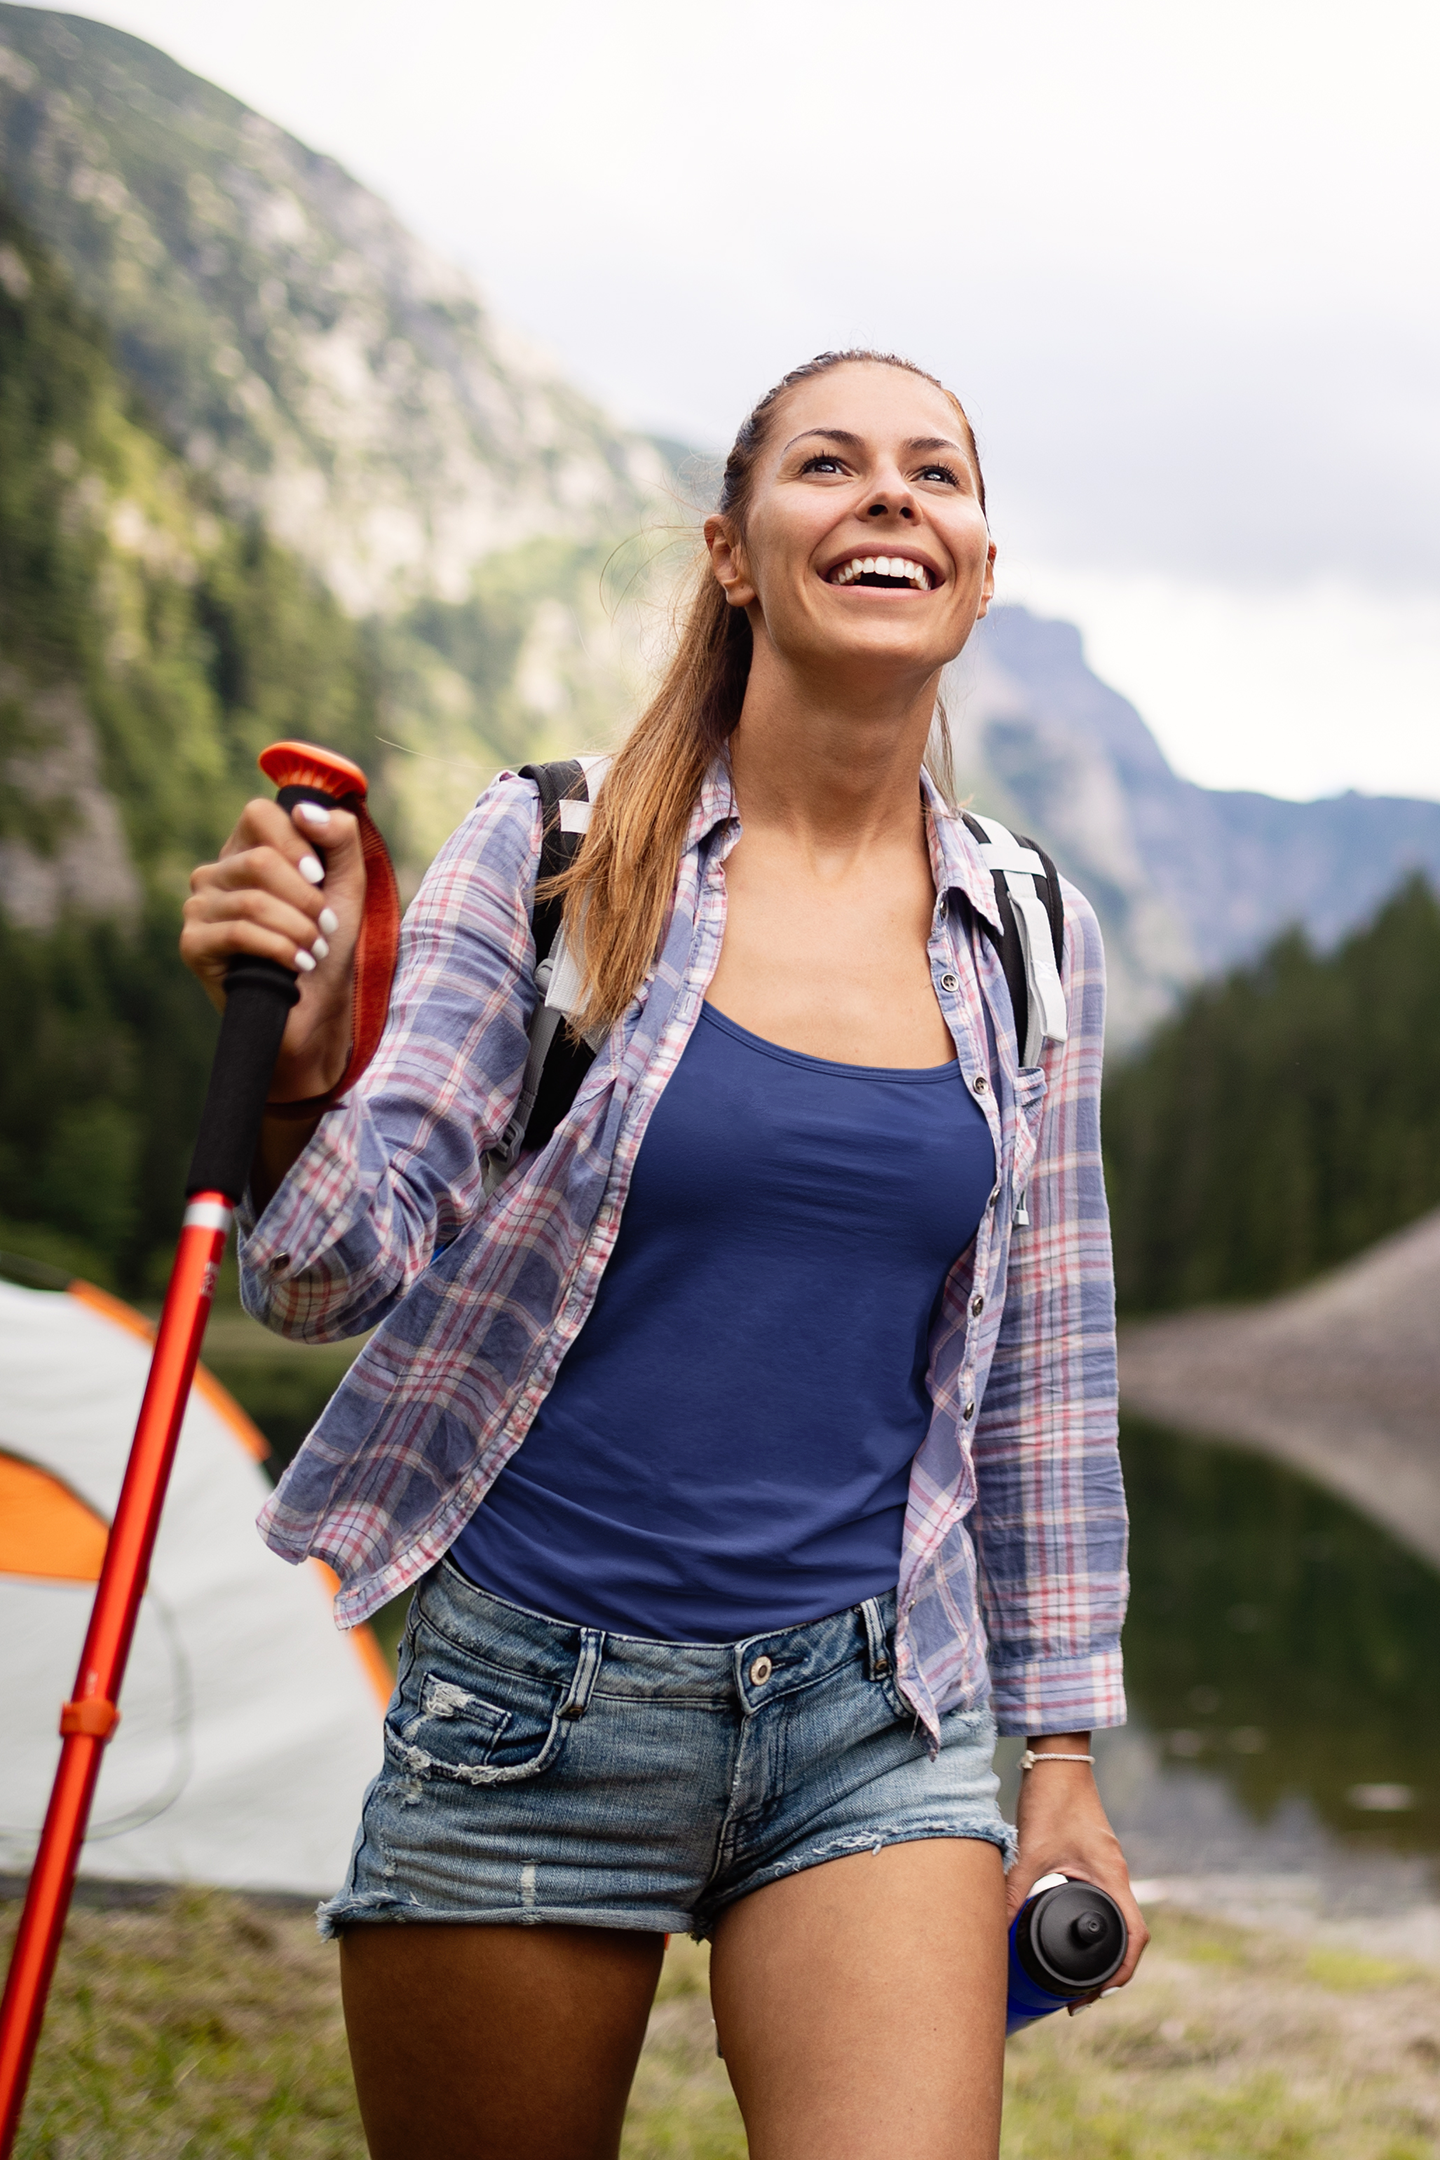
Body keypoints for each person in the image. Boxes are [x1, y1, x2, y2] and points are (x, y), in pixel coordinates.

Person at [180, 349, 1144, 2160]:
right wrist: (299, 1091)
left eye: (934, 473)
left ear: (982, 566)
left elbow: (1051, 1366)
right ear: (730, 548)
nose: (886, 496)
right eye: (828, 465)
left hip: (877, 1712)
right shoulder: (553, 850)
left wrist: (1066, 1762)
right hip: (532, 1694)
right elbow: (325, 1279)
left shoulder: (1029, 930)